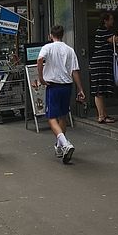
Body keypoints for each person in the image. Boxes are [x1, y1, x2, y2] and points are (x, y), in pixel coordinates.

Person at [37, 24, 85, 164]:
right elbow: (75, 70)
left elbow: (40, 59)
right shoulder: (69, 50)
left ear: (50, 35)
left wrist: (41, 78)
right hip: (67, 86)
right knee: (62, 116)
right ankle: (59, 146)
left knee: (51, 117)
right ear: (62, 35)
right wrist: (80, 89)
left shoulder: (48, 47)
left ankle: (65, 143)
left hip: (53, 86)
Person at [90, 12, 118, 124]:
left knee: (101, 90)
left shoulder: (104, 31)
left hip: (103, 64)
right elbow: (114, 40)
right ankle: (101, 116)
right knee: (99, 90)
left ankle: (104, 114)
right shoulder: (102, 31)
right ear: (105, 21)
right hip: (99, 64)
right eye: (111, 19)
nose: (112, 21)